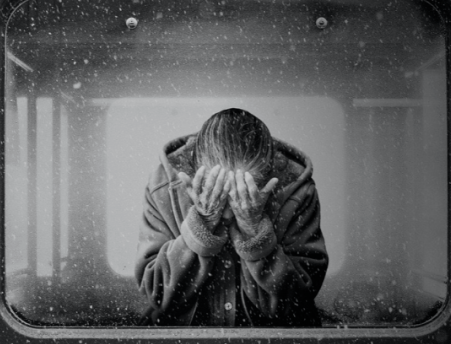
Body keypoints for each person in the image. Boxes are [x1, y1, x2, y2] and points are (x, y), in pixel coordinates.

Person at [135, 108, 327, 326]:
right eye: (216, 192)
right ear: (195, 174)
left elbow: (296, 304)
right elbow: (157, 294)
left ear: (268, 181)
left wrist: (255, 232)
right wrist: (201, 224)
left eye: (244, 193)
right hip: (180, 338)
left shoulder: (298, 193)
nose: (228, 212)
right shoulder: (163, 188)